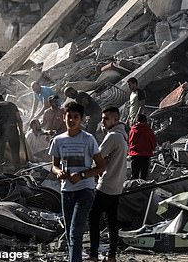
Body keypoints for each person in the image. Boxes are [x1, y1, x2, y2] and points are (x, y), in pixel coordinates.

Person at [49, 101, 106, 262]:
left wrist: (82, 175)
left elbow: (101, 166)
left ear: (81, 119)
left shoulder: (88, 139)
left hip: (85, 191)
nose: (72, 120)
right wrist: (59, 172)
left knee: (75, 231)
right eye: (69, 117)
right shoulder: (58, 140)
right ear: (64, 118)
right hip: (66, 191)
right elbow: (54, 166)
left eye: (76, 117)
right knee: (69, 233)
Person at [88, 107, 128, 262]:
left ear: (115, 120)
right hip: (117, 185)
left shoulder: (112, 136)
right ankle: (111, 256)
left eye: (106, 119)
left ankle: (93, 254)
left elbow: (96, 157)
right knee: (111, 221)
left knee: (93, 216)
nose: (102, 122)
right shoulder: (122, 136)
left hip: (106, 184)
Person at [0, 94, 24, 171]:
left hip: (0, 130)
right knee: (15, 153)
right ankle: (18, 171)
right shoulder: (12, 104)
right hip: (13, 129)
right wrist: (21, 132)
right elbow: (19, 119)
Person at [128, 114, 156, 180]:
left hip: (134, 156)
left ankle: (134, 189)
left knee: (134, 176)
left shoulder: (132, 130)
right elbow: (153, 142)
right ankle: (143, 190)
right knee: (144, 176)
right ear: (145, 121)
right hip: (145, 156)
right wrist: (152, 149)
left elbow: (130, 141)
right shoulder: (148, 130)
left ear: (137, 121)